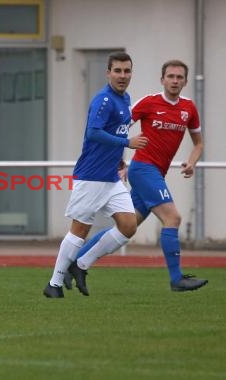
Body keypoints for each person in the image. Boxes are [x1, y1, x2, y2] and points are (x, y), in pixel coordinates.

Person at [66, 59, 208, 293]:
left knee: (126, 228)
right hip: (143, 169)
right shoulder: (149, 103)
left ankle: (77, 264)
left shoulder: (189, 108)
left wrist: (191, 163)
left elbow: (199, 143)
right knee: (173, 218)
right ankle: (176, 279)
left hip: (157, 173)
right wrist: (116, 157)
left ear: (185, 81)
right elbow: (118, 127)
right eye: (170, 76)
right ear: (162, 79)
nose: (174, 81)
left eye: (179, 77)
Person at [43, 52, 149, 298]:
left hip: (111, 178)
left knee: (128, 225)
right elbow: (93, 133)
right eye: (118, 71)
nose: (123, 76)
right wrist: (127, 142)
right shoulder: (103, 99)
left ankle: (80, 265)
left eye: (127, 71)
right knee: (79, 230)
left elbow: (111, 134)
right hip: (91, 176)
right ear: (108, 73)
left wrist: (118, 156)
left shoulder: (125, 99)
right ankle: (54, 284)